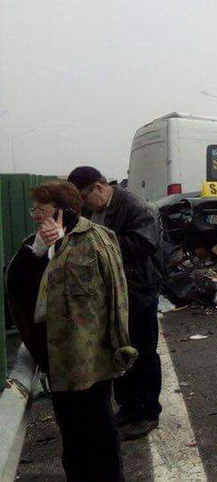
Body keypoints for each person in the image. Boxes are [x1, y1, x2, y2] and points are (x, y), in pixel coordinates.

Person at [7, 181, 136, 481]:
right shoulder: (35, 245)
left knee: (100, 430)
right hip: (58, 359)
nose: (36, 216)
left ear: (62, 211)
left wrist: (120, 345)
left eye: (41, 210)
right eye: (34, 210)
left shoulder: (97, 238)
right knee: (73, 435)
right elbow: (17, 291)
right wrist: (38, 251)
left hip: (94, 357)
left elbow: (117, 294)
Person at [67, 166, 163, 441]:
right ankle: (129, 407)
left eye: (85, 197)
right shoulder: (92, 209)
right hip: (111, 291)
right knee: (118, 350)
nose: (85, 205)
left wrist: (99, 245)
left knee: (143, 351)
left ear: (98, 187)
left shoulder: (135, 206)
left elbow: (144, 244)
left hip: (138, 289)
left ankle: (149, 412)